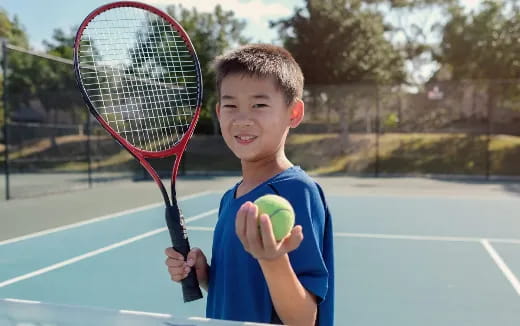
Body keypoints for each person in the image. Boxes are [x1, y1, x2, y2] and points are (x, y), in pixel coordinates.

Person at [165, 44, 334, 326]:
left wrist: (273, 260)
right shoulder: (230, 198)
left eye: (259, 105)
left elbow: (304, 319)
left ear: (293, 113)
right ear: (219, 113)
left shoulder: (297, 192)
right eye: (231, 106)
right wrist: (206, 275)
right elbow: (243, 291)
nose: (243, 119)